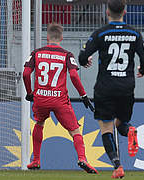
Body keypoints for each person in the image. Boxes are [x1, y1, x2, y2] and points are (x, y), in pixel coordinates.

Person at [78, 0, 144, 178]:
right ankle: (130, 129)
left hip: (105, 87)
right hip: (126, 87)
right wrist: (142, 69)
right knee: (121, 123)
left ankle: (117, 166)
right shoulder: (135, 33)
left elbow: (82, 56)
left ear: (107, 12)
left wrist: (85, 61)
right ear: (125, 12)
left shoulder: (101, 33)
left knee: (106, 127)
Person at [23, 23, 98, 174]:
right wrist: (83, 95)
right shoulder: (66, 54)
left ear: (47, 37)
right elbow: (73, 75)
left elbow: (25, 74)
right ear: (61, 38)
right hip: (59, 100)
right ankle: (82, 158)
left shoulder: (36, 53)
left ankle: (36, 160)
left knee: (39, 122)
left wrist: (30, 93)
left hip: (41, 98)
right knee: (75, 131)